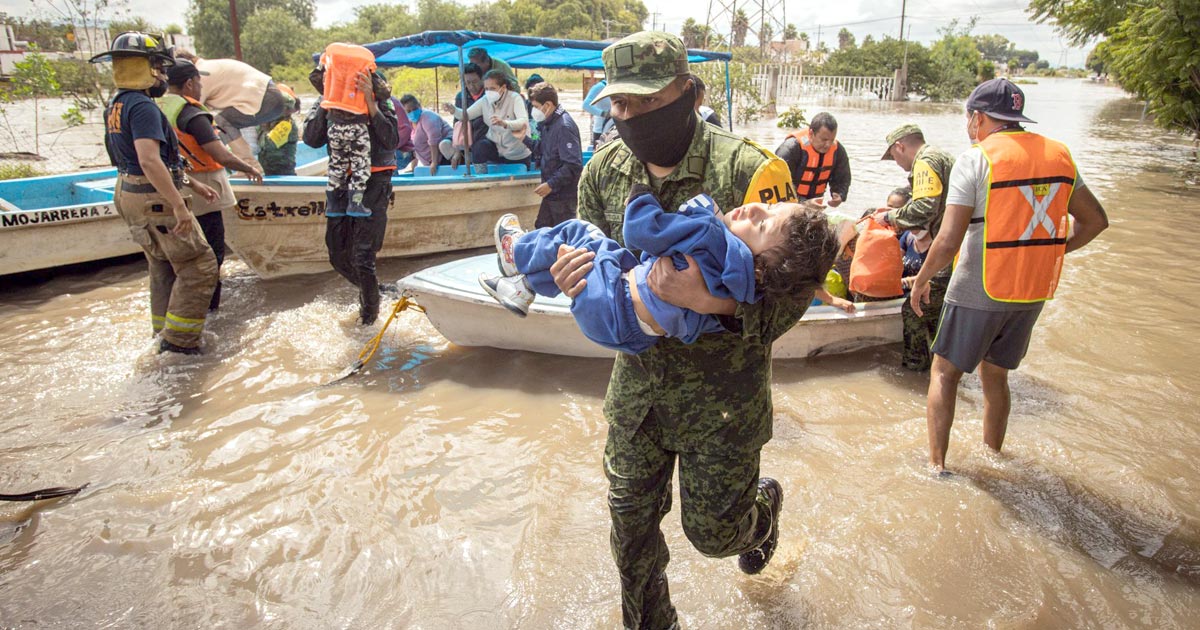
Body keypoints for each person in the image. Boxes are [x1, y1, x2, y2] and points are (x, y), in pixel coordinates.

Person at [546, 31, 808, 628]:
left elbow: (794, 300)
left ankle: (760, 509)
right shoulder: (603, 173)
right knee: (630, 531)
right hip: (638, 392)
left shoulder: (748, 169)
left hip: (723, 401)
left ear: (688, 92)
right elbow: (595, 266)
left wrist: (711, 301)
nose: (632, 116)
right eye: (620, 104)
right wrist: (571, 279)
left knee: (715, 537)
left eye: (646, 99)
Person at [908, 78, 1109, 472]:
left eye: (970, 118)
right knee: (995, 374)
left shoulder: (976, 158)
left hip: (980, 287)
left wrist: (921, 279)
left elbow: (948, 240)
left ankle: (936, 468)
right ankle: (993, 456)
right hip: (1032, 290)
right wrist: (1053, 251)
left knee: (944, 373)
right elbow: (1096, 221)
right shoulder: (1061, 155)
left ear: (978, 118)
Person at [480, 191, 836, 353]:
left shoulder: (711, 232)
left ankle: (517, 253)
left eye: (762, 226)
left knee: (580, 232)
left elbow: (640, 231)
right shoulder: (755, 289)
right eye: (769, 206)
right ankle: (525, 284)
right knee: (606, 255)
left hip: (609, 306)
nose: (755, 208)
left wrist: (640, 197)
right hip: (637, 339)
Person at [91, 32, 219, 355]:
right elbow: (149, 159)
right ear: (144, 68)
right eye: (159, 68)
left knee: (161, 265)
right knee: (200, 265)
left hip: (129, 193)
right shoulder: (143, 107)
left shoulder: (116, 105)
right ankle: (180, 345)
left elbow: (134, 160)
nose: (164, 76)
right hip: (154, 198)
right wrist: (179, 206)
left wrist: (191, 184)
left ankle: (161, 335)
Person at [158, 58, 264, 312]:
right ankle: (209, 310)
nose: (200, 86)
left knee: (177, 258)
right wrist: (249, 167)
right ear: (189, 83)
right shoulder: (192, 113)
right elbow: (220, 154)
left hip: (171, 186)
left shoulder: (158, 108)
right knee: (211, 256)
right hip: (203, 191)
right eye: (198, 81)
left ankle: (174, 311)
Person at [304, 65, 399, 325]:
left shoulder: (380, 96)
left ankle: (369, 319)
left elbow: (392, 140)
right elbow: (311, 138)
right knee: (337, 254)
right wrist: (326, 100)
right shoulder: (328, 98)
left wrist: (371, 103)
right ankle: (375, 292)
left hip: (373, 183)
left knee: (363, 255)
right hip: (341, 185)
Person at [871, 123, 957, 371]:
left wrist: (889, 218)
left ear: (901, 146)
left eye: (894, 156)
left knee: (915, 308)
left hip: (947, 253)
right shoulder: (943, 157)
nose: (897, 162)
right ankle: (943, 368)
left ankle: (916, 372)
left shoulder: (925, 161)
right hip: (956, 249)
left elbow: (924, 208)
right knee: (937, 313)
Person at [174, 49, 290, 169]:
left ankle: (249, 165)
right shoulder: (210, 66)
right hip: (271, 96)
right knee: (221, 123)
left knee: (221, 122)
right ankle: (243, 163)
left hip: (265, 98)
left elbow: (191, 112)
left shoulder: (200, 74)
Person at [526, 82, 582, 228]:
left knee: (562, 235)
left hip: (563, 196)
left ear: (548, 105)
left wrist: (551, 184)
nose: (534, 111)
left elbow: (573, 165)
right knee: (542, 229)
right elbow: (543, 149)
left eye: (537, 107)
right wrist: (523, 139)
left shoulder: (564, 126)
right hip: (552, 194)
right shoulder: (549, 123)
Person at [456, 69, 531, 169]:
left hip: (516, 151)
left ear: (503, 87)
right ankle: (481, 179)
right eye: (486, 89)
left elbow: (523, 121)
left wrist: (505, 123)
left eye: (492, 88)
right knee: (479, 147)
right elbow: (465, 115)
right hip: (497, 147)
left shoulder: (515, 98)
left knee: (515, 177)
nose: (488, 92)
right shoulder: (485, 100)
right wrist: (453, 110)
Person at [776, 112, 851, 206]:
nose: (828, 145)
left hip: (814, 206)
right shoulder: (790, 149)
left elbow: (843, 178)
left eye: (831, 140)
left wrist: (839, 194)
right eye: (824, 140)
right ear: (811, 133)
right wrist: (803, 203)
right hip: (788, 205)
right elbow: (778, 185)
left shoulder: (838, 151)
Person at [442, 63, 488, 168]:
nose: (471, 86)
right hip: (466, 140)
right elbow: (457, 123)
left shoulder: (488, 94)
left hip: (486, 140)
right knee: (444, 145)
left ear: (482, 79)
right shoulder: (461, 97)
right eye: (468, 82)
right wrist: (457, 151)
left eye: (475, 82)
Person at [399, 94, 454, 175]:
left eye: (414, 109)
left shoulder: (428, 117)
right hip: (428, 160)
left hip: (444, 156)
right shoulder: (409, 122)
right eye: (408, 111)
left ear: (419, 106)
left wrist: (434, 163)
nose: (412, 113)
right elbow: (414, 147)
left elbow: (434, 141)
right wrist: (414, 168)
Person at [257, 84, 302, 176]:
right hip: (267, 171)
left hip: (282, 173)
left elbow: (268, 145)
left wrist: (262, 126)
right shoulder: (270, 121)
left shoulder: (286, 125)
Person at [582, 77, 613, 148]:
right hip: (600, 129)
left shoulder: (618, 88)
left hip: (614, 128)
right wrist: (603, 113)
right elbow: (585, 105)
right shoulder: (599, 87)